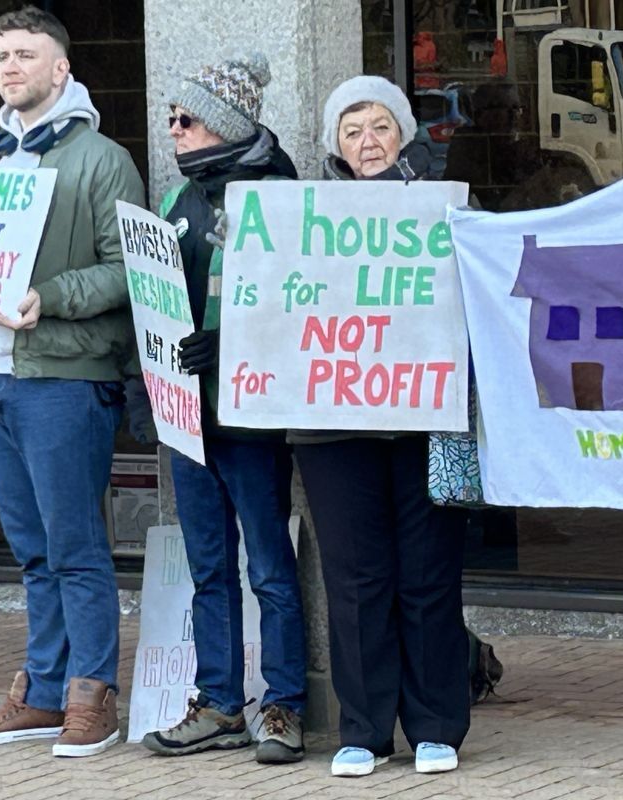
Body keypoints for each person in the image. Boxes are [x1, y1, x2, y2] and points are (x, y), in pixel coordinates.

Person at [0, 6, 144, 758]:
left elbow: (127, 269)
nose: (10, 66)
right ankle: (44, 693)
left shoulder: (100, 160)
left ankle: (92, 696)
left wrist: (52, 297)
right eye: (2, 55)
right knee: (33, 552)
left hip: (64, 380)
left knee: (76, 548)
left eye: (26, 54)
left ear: (61, 69)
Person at [291, 75, 471, 779]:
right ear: (336, 144)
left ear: (405, 133)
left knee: (428, 574)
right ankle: (362, 728)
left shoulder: (448, 204)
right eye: (352, 131)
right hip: (332, 424)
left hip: (425, 416)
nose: (368, 144)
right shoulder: (300, 216)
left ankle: (435, 725)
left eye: (380, 127)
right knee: (355, 578)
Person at [138, 54, 308, 765]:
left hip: (249, 421)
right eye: (172, 117)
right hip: (188, 419)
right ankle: (218, 702)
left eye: (187, 118)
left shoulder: (277, 194)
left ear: (228, 124)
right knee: (210, 566)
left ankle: (285, 706)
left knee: (269, 566)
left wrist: (229, 342)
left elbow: (298, 304)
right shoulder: (181, 202)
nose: (172, 129)